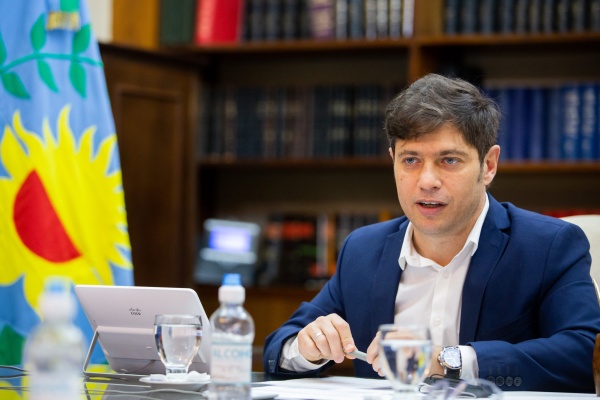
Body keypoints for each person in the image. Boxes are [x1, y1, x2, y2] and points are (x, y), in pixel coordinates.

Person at [262, 73, 600, 392]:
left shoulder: (549, 245)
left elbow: (583, 352)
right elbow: (280, 347)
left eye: (449, 160)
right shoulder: (363, 249)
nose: (427, 181)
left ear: (488, 166)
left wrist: (448, 360)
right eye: (411, 160)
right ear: (393, 161)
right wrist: (306, 348)